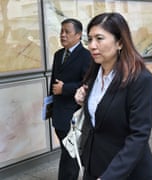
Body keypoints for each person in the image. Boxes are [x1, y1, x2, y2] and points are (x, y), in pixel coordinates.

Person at [74, 12, 152, 180]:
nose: (92, 45)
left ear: (120, 42)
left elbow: (139, 135)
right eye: (89, 39)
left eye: (99, 38)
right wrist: (82, 100)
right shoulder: (94, 73)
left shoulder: (140, 79)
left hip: (126, 171)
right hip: (94, 166)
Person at [50, 18, 92, 180]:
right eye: (61, 31)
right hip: (58, 113)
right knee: (66, 150)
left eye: (67, 31)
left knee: (71, 153)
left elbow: (88, 84)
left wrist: (65, 88)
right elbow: (53, 84)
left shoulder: (86, 56)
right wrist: (50, 107)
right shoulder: (58, 55)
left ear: (78, 35)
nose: (63, 35)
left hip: (74, 114)